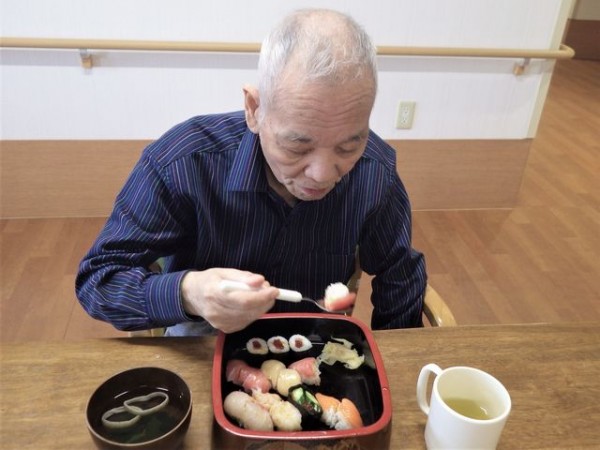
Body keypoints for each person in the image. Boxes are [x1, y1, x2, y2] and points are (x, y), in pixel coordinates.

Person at [76, 8, 427, 336]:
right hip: (203, 338)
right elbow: (98, 280)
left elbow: (400, 274)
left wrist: (395, 360)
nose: (322, 175)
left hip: (313, 342)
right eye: (297, 146)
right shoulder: (184, 163)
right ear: (254, 109)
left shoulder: (374, 172)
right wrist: (188, 293)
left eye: (348, 146)